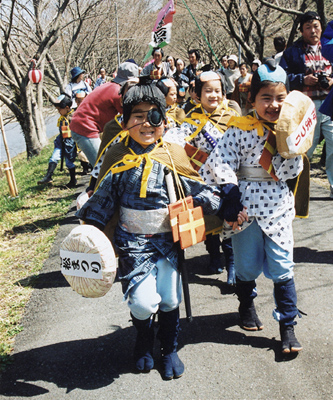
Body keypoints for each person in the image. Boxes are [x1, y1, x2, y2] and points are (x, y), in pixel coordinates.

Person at [76, 81, 228, 379]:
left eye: (154, 115)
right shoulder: (117, 155)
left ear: (166, 120)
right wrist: (89, 231)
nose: (147, 123)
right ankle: (144, 339)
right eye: (138, 115)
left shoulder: (174, 153)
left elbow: (206, 189)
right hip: (132, 245)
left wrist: (202, 200)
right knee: (143, 303)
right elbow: (102, 201)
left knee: (170, 299)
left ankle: (169, 347)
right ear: (124, 120)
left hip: (169, 242)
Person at [201, 59, 304, 354]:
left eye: (280, 98)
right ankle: (246, 304)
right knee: (245, 267)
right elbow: (220, 161)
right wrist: (230, 195)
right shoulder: (239, 128)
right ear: (252, 99)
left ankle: (288, 326)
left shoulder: (291, 129)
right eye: (266, 98)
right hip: (244, 207)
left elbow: (293, 170)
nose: (273, 104)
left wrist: (287, 142)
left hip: (277, 206)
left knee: (283, 267)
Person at [164, 71, 241, 284]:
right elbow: (176, 138)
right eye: (208, 91)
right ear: (197, 95)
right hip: (205, 180)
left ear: (224, 93)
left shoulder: (234, 119)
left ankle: (231, 263)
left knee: (231, 218)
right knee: (209, 221)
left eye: (217, 91)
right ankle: (214, 254)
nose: (213, 95)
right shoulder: (192, 119)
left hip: (231, 179)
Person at [280, 11, 333, 198]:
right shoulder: (292, 52)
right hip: (306, 107)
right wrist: (303, 79)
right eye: (308, 27)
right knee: (304, 149)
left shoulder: (330, 48)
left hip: (329, 106)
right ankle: (294, 186)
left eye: (316, 26)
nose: (313, 31)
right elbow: (282, 78)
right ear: (302, 31)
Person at [70, 61, 140, 166]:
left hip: (83, 125)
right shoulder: (118, 92)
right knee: (103, 167)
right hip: (85, 128)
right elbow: (129, 117)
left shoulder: (112, 86)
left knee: (107, 163)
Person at [37, 94, 77, 188]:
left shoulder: (73, 116)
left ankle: (73, 180)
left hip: (71, 142)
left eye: (59, 109)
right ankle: (48, 176)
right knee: (54, 157)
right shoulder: (62, 118)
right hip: (61, 140)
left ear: (67, 107)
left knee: (69, 162)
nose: (58, 111)